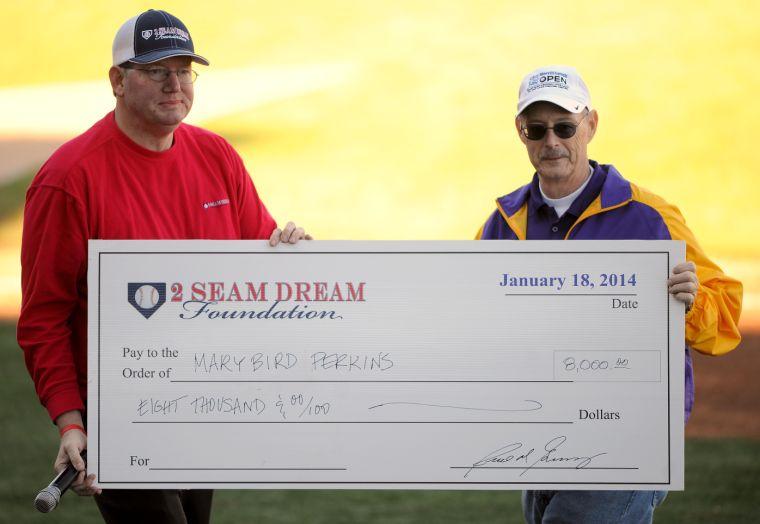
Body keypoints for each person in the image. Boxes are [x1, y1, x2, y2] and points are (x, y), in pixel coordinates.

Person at [17, 9, 310, 523]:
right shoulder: (68, 178)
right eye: (156, 71)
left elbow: (259, 263)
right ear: (117, 81)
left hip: (204, 406)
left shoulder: (217, 156)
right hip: (123, 413)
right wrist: (71, 422)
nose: (174, 84)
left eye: (184, 70)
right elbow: (43, 318)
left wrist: (289, 251)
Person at [477, 65, 743, 523]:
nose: (551, 142)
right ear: (520, 133)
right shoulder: (504, 221)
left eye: (564, 126)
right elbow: (451, 311)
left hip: (627, 438)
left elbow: (726, 320)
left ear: (591, 125)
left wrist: (693, 302)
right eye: (536, 129)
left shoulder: (650, 216)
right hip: (542, 437)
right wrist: (322, 263)